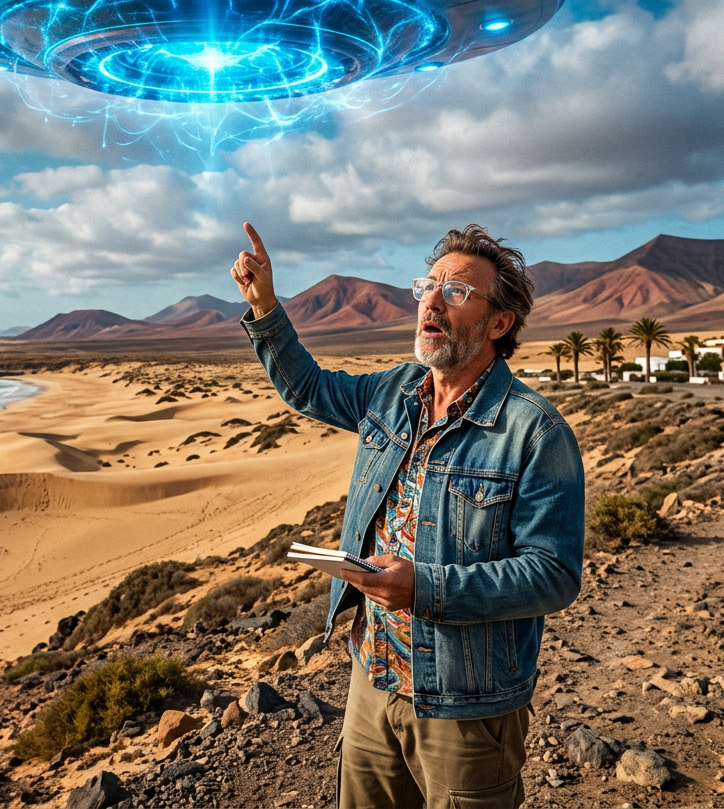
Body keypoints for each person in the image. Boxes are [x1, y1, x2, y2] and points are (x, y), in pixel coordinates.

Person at [231, 222, 584, 809]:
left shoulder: (534, 432)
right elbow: (310, 388)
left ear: (499, 324)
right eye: (428, 285)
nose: (432, 301)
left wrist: (425, 587)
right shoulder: (394, 392)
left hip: (465, 705)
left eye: (458, 292)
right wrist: (266, 305)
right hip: (372, 678)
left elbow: (553, 574)